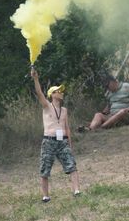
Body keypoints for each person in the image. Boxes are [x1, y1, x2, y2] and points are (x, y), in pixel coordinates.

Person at [31, 67, 80, 202]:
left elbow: (67, 128)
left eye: (61, 91)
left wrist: (69, 144)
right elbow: (39, 93)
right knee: (45, 169)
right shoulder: (47, 106)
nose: (61, 93)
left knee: (72, 165)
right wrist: (36, 78)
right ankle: (46, 196)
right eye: (58, 91)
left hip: (62, 142)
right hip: (49, 141)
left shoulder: (64, 110)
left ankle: (77, 191)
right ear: (52, 94)